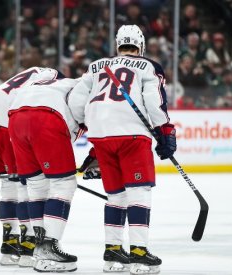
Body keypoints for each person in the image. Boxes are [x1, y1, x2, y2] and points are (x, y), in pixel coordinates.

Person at [68, 25, 176, 274]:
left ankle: (113, 252)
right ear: (141, 45)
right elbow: (154, 101)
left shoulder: (96, 66)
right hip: (131, 136)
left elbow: (75, 100)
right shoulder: (149, 66)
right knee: (139, 192)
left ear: (118, 44)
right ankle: (138, 252)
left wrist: (88, 123)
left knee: (116, 195)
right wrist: (164, 131)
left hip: (101, 138)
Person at [0, 67, 63, 266]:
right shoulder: (56, 81)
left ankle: (9, 244)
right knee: (26, 183)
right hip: (7, 123)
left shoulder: (35, 71)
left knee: (9, 184)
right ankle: (27, 247)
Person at [8, 76, 84, 272]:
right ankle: (49, 246)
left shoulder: (53, 83)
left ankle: (39, 248)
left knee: (36, 184)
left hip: (16, 118)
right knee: (64, 184)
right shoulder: (87, 84)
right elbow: (83, 113)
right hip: (45, 118)